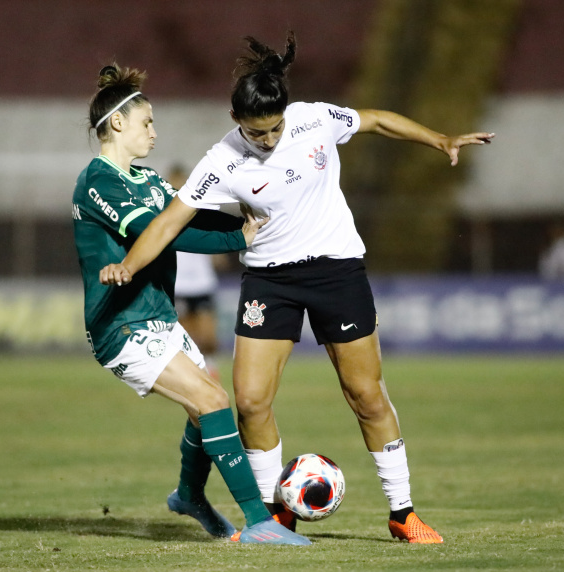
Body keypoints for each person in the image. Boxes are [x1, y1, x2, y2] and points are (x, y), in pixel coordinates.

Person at [99, 34, 495, 544]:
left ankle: (403, 513)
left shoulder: (314, 119)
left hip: (337, 271)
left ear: (287, 112)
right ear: (238, 121)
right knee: (250, 401)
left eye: (273, 129)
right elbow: (169, 221)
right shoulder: (222, 159)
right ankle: (273, 518)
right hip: (270, 280)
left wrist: (439, 139)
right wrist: (129, 265)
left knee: (366, 395)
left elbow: (373, 119)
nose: (265, 140)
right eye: (254, 132)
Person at [74, 64, 310, 545]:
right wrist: (235, 240)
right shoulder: (98, 182)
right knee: (213, 401)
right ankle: (258, 522)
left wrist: (240, 229)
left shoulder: (146, 178)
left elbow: (188, 215)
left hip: (159, 318)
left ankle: (189, 496)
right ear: (118, 124)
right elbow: (158, 234)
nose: (155, 133)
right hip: (121, 326)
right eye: (148, 123)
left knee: (204, 411)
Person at [168, 164, 228, 381]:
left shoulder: (203, 212)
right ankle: (190, 377)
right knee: (185, 336)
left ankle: (210, 369)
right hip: (178, 285)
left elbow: (219, 255)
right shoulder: (164, 213)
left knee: (209, 338)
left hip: (203, 283)